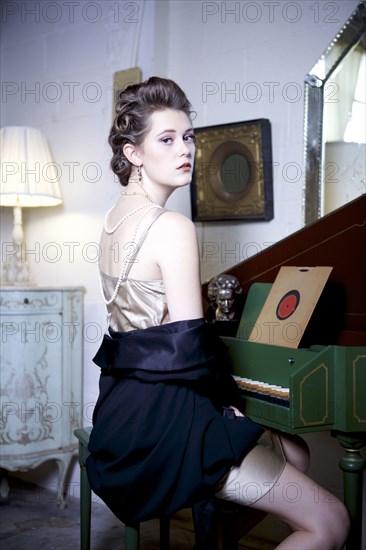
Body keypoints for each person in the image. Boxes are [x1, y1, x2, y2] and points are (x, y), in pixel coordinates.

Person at [86, 76, 350, 549]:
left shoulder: (110, 224)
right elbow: (189, 344)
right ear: (133, 153)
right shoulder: (171, 226)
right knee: (331, 521)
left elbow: (143, 330)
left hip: (122, 417)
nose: (185, 148)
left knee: (296, 450)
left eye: (187, 136)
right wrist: (228, 405)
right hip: (169, 421)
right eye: (166, 139)